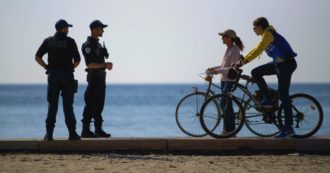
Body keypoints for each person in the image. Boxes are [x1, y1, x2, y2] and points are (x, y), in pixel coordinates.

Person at [234, 17, 297, 138]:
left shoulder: (268, 34)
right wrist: (241, 60)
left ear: (260, 27)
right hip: (278, 63)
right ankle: (268, 98)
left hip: (287, 64)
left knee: (283, 95)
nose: (253, 30)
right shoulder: (265, 35)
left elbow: (258, 50)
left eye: (254, 27)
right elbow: (255, 49)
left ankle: (289, 128)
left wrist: (243, 62)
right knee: (256, 72)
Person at [35, 19, 81, 141]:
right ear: (63, 28)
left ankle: (49, 134)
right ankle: (72, 133)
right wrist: (70, 69)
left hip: (53, 75)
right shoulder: (70, 41)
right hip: (67, 76)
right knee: (68, 106)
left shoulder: (48, 41)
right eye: (67, 27)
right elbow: (77, 60)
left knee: (52, 105)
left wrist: (46, 67)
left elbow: (37, 57)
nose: (68, 30)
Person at [207, 29, 244, 136]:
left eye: (223, 36)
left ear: (230, 38)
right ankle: (229, 129)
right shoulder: (228, 49)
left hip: (229, 80)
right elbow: (224, 66)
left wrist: (217, 71)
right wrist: (213, 68)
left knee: (226, 104)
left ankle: (230, 130)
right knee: (225, 104)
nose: (222, 38)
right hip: (224, 80)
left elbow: (231, 68)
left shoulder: (235, 50)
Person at [81, 20, 113, 138]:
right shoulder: (88, 45)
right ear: (95, 30)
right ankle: (85, 130)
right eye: (101, 28)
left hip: (101, 79)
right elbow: (89, 65)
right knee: (90, 104)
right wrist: (105, 65)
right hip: (94, 79)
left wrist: (105, 66)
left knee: (99, 105)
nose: (103, 30)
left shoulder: (98, 44)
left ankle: (98, 130)